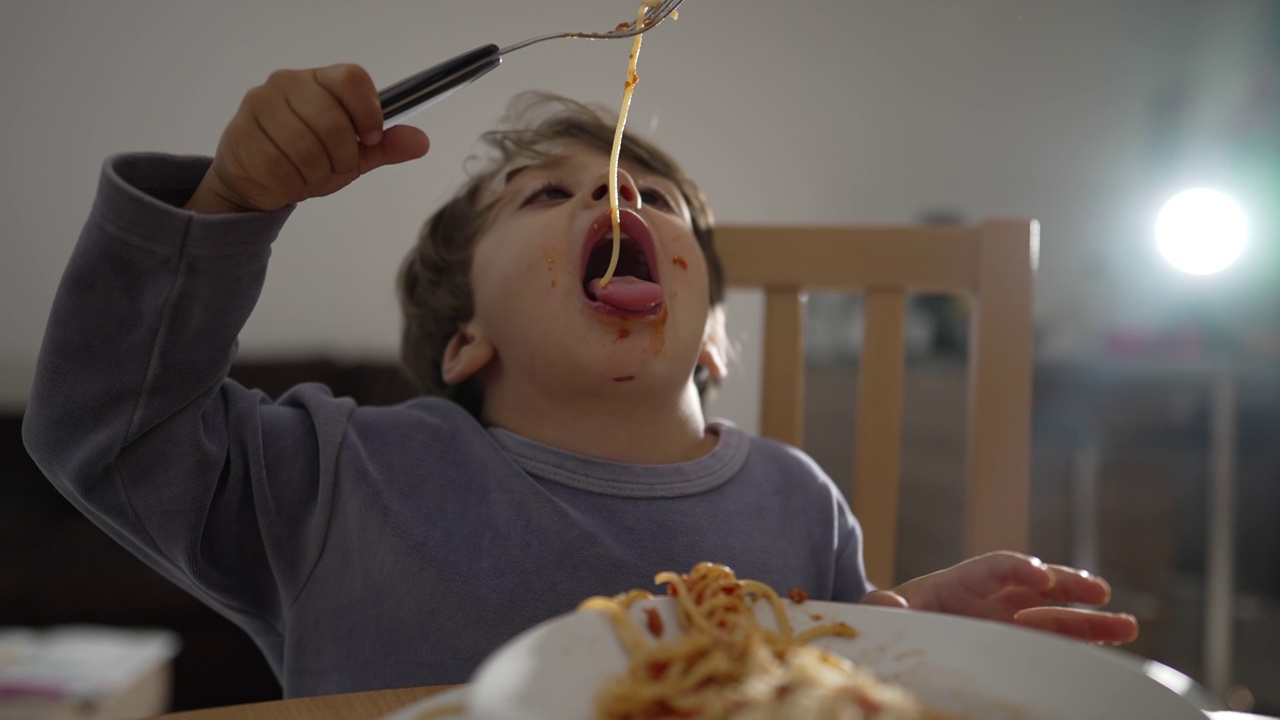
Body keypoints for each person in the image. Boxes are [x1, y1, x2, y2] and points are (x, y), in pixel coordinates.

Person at [22, 64, 1137, 699]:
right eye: (543, 198)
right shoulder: (336, 477)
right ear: (464, 341)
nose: (618, 200)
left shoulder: (798, 500)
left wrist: (911, 622)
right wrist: (226, 204)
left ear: (710, 343)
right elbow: (105, 425)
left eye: (659, 202)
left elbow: (826, 670)